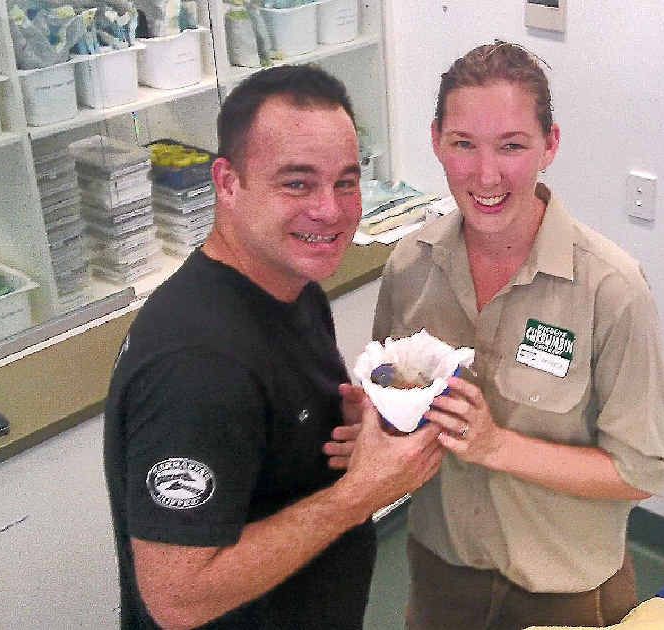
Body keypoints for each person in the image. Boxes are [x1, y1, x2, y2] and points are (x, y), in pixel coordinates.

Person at [103, 65, 444, 630]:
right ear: (228, 182)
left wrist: (353, 431)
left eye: (346, 181)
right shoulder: (196, 368)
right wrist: (360, 495)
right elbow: (176, 598)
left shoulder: (291, 286)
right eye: (297, 182)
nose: (330, 211)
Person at [369, 42, 664, 629]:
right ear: (436, 140)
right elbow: (393, 400)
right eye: (464, 145)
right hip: (441, 577)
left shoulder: (610, 290)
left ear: (550, 145)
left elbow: (639, 474)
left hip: (563, 596)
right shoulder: (410, 267)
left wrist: (495, 447)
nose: (487, 176)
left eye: (512, 146)